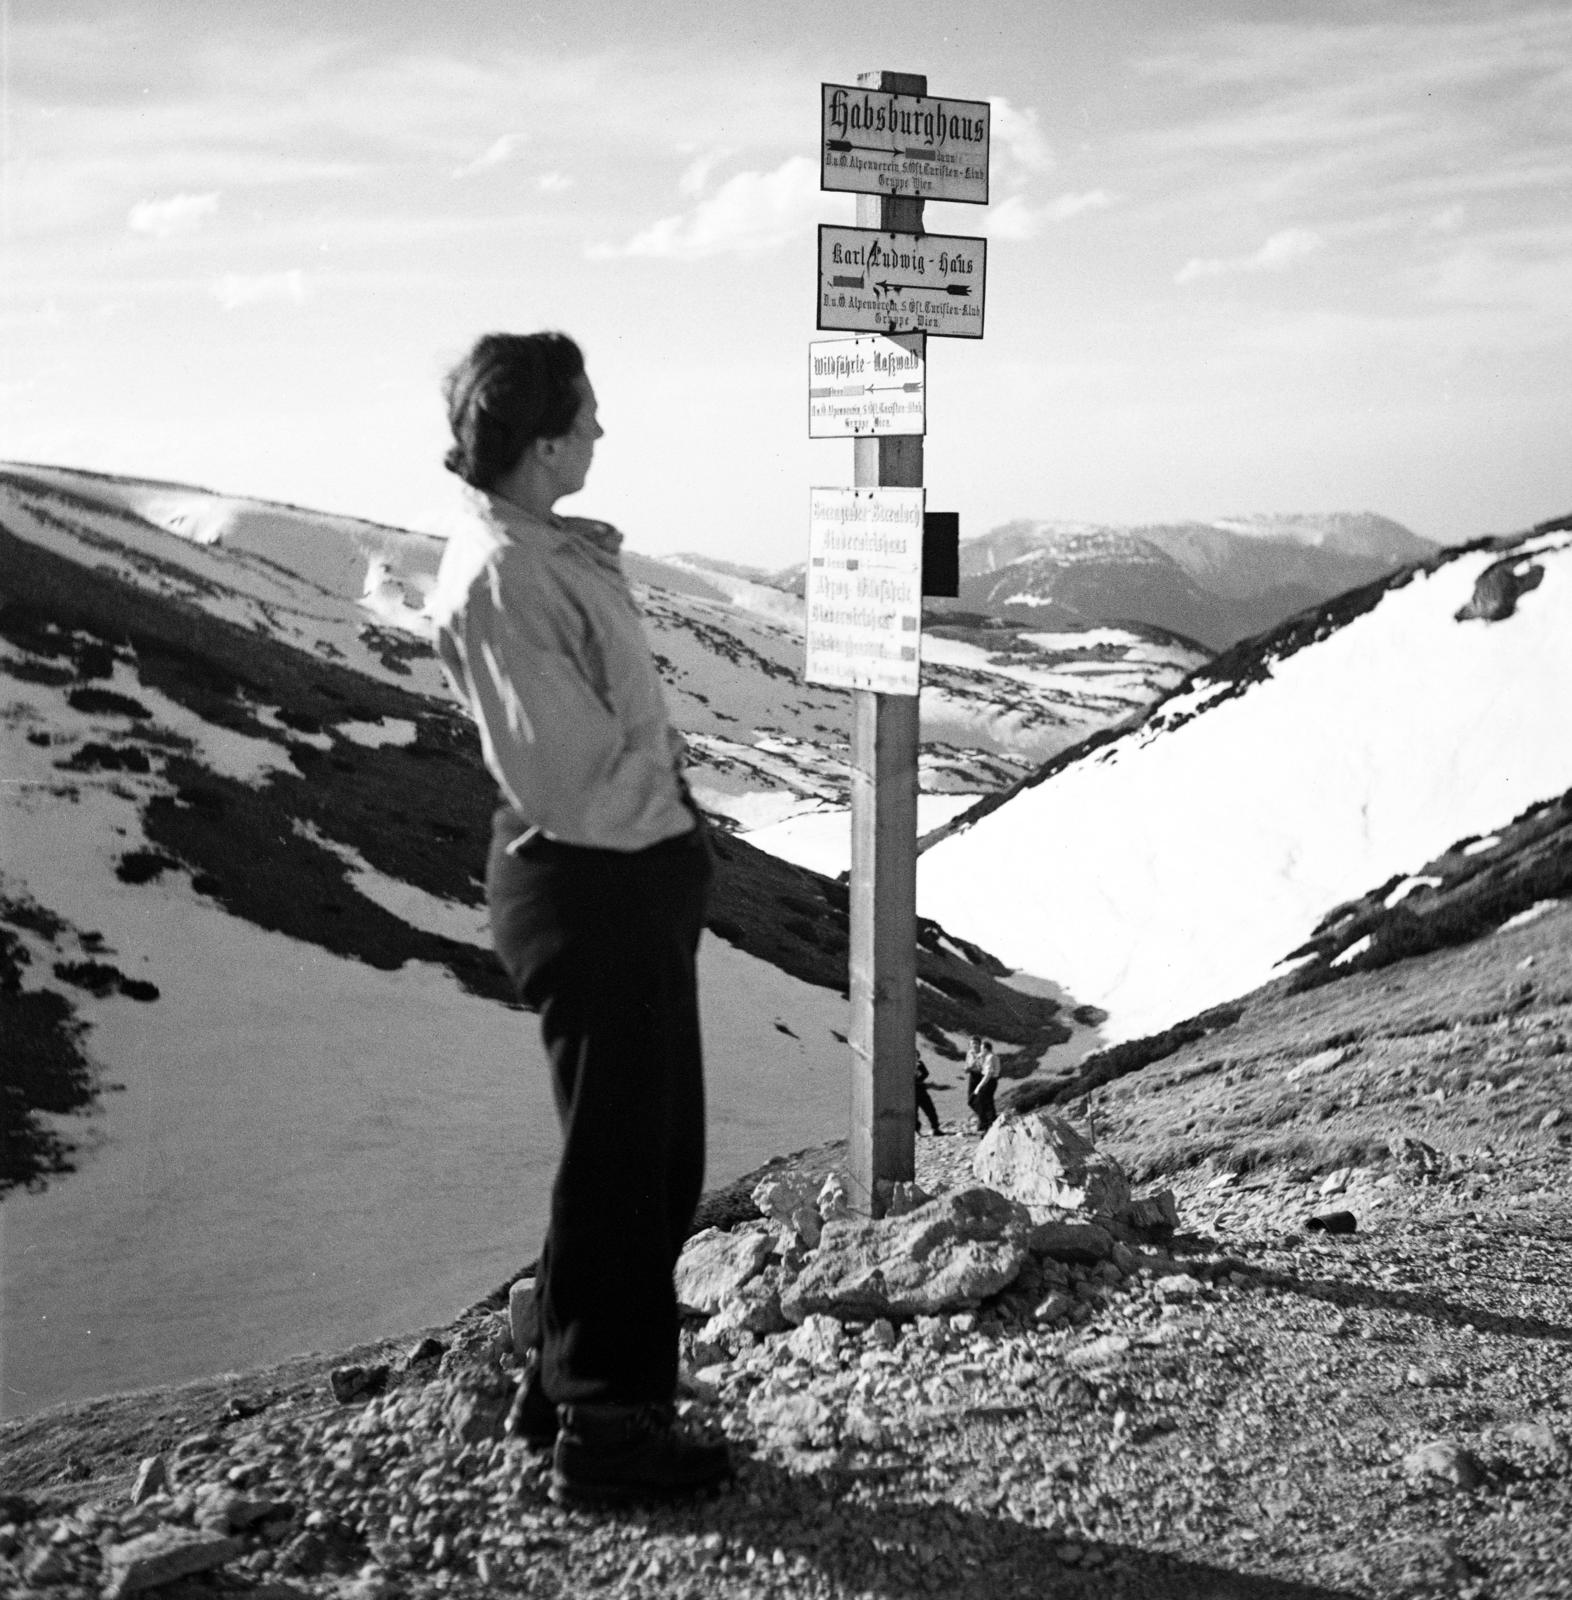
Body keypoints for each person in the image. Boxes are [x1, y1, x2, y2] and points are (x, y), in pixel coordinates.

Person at [424, 331, 730, 1509]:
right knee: (625, 1163)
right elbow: (572, 777)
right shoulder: (508, 574)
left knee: (638, 1155)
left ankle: (565, 1386)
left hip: (614, 871)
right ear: (545, 438)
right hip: (596, 876)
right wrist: (679, 837)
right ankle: (608, 1432)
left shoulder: (535, 550)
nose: (603, 430)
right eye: (588, 415)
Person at [971, 1039, 1000, 1133]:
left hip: (989, 1081)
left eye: (982, 1048)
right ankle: (991, 1123)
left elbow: (988, 1073)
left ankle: (987, 1124)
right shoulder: (993, 1056)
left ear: (986, 1049)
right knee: (988, 1101)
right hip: (993, 1081)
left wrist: (979, 1086)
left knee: (982, 1101)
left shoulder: (990, 1057)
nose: (981, 1050)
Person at [914, 1053, 942, 1137]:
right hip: (911, 1092)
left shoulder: (920, 1064)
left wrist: (919, 1075)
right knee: (914, 1113)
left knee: (930, 1109)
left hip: (921, 1090)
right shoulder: (904, 1065)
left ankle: (935, 1128)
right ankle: (917, 1131)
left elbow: (926, 1073)